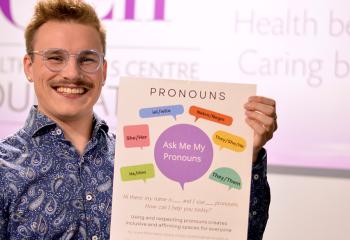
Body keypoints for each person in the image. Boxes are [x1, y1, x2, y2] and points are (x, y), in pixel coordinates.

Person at [0, 0, 277, 239]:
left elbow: (237, 234)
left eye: (87, 59)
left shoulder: (147, 159)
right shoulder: (4, 169)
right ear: (29, 67)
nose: (72, 73)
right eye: (55, 58)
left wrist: (245, 155)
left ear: (103, 71)